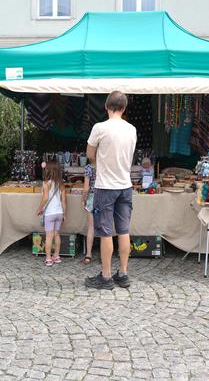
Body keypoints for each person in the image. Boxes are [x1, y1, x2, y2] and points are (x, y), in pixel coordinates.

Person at [85, 91, 137, 290]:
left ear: (106, 106)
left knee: (106, 232)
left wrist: (99, 163)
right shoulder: (131, 129)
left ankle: (106, 277)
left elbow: (90, 153)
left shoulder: (100, 128)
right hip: (125, 185)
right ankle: (123, 274)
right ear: (123, 109)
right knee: (124, 230)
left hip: (105, 186)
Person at [35, 159, 66, 266]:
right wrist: (64, 214)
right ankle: (56, 256)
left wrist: (39, 208)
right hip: (59, 212)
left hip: (50, 213)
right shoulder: (61, 184)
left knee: (49, 236)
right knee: (57, 234)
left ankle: (48, 258)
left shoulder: (46, 184)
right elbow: (64, 201)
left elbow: (45, 198)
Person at [81, 160, 96, 264]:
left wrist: (83, 199)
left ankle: (88, 254)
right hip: (105, 197)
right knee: (105, 227)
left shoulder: (89, 168)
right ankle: (105, 254)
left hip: (92, 198)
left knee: (91, 227)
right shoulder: (106, 164)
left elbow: (86, 188)